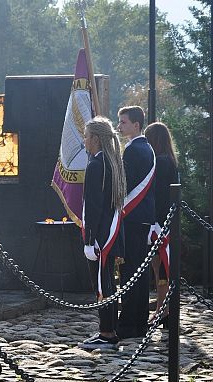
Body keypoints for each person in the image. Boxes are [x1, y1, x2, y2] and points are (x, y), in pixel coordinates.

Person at [79, 117, 126, 349]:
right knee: (108, 284)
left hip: (100, 237)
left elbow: (93, 207)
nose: (84, 140)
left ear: (96, 139)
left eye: (87, 136)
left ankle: (106, 333)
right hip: (111, 231)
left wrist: (89, 239)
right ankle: (109, 329)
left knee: (102, 285)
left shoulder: (96, 165)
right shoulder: (111, 162)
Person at [116, 106, 156, 339]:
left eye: (123, 122)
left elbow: (125, 186)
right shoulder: (145, 148)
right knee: (139, 273)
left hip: (132, 219)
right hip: (142, 218)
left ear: (136, 125)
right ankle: (138, 322)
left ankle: (129, 324)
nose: (119, 126)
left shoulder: (133, 151)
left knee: (130, 271)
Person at [144, 122, 179, 327]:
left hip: (160, 222)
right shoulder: (170, 161)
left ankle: (162, 310)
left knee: (161, 269)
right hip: (167, 220)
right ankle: (163, 308)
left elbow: (156, 195)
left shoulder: (161, 162)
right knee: (162, 269)